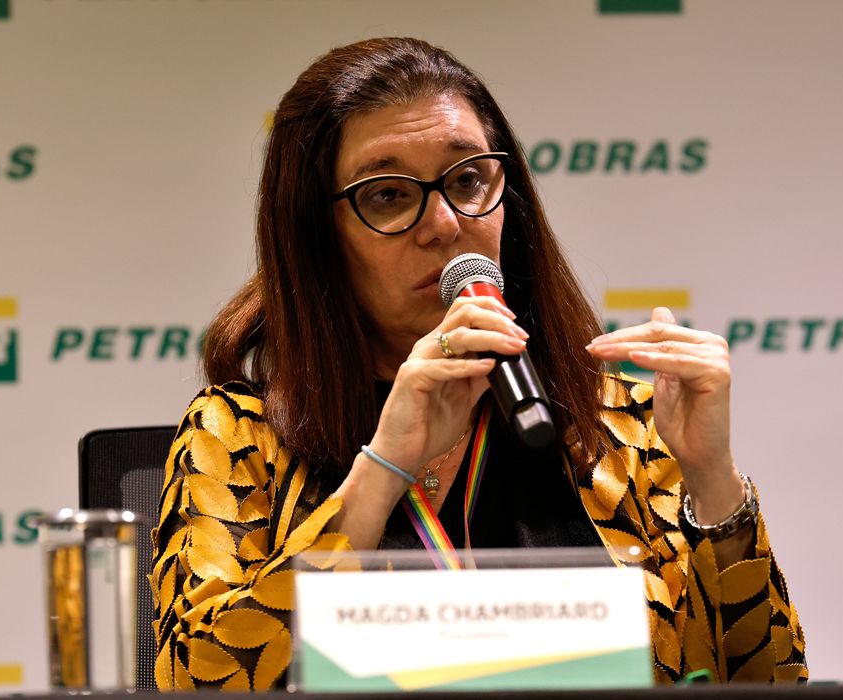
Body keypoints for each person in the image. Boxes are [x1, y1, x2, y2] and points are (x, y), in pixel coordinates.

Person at [149, 37, 807, 690]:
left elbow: (772, 683)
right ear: (316, 235)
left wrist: (713, 482)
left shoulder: (624, 424)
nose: (444, 223)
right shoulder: (239, 434)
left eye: (467, 181)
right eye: (387, 195)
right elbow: (199, 682)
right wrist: (383, 468)